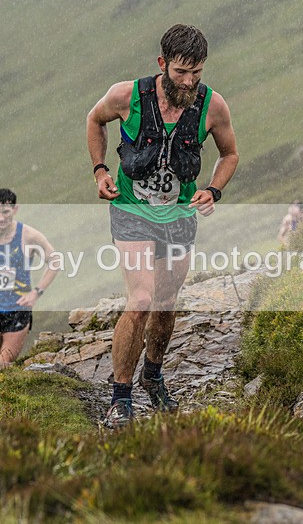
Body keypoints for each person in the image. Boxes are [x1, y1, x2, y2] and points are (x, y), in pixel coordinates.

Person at [87, 24, 239, 428]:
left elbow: (230, 154)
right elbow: (94, 120)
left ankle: (152, 378)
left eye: (197, 74)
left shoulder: (213, 106)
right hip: (132, 211)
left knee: (166, 303)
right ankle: (120, 399)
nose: (188, 82)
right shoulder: (127, 96)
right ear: (162, 64)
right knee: (140, 300)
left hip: (179, 217)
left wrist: (213, 190)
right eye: (180, 73)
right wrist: (100, 169)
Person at [0, 188, 59, 364]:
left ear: (15, 209)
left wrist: (36, 293)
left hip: (18, 308)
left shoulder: (29, 236)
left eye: (6, 212)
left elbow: (55, 262)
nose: (1, 218)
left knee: (3, 366)